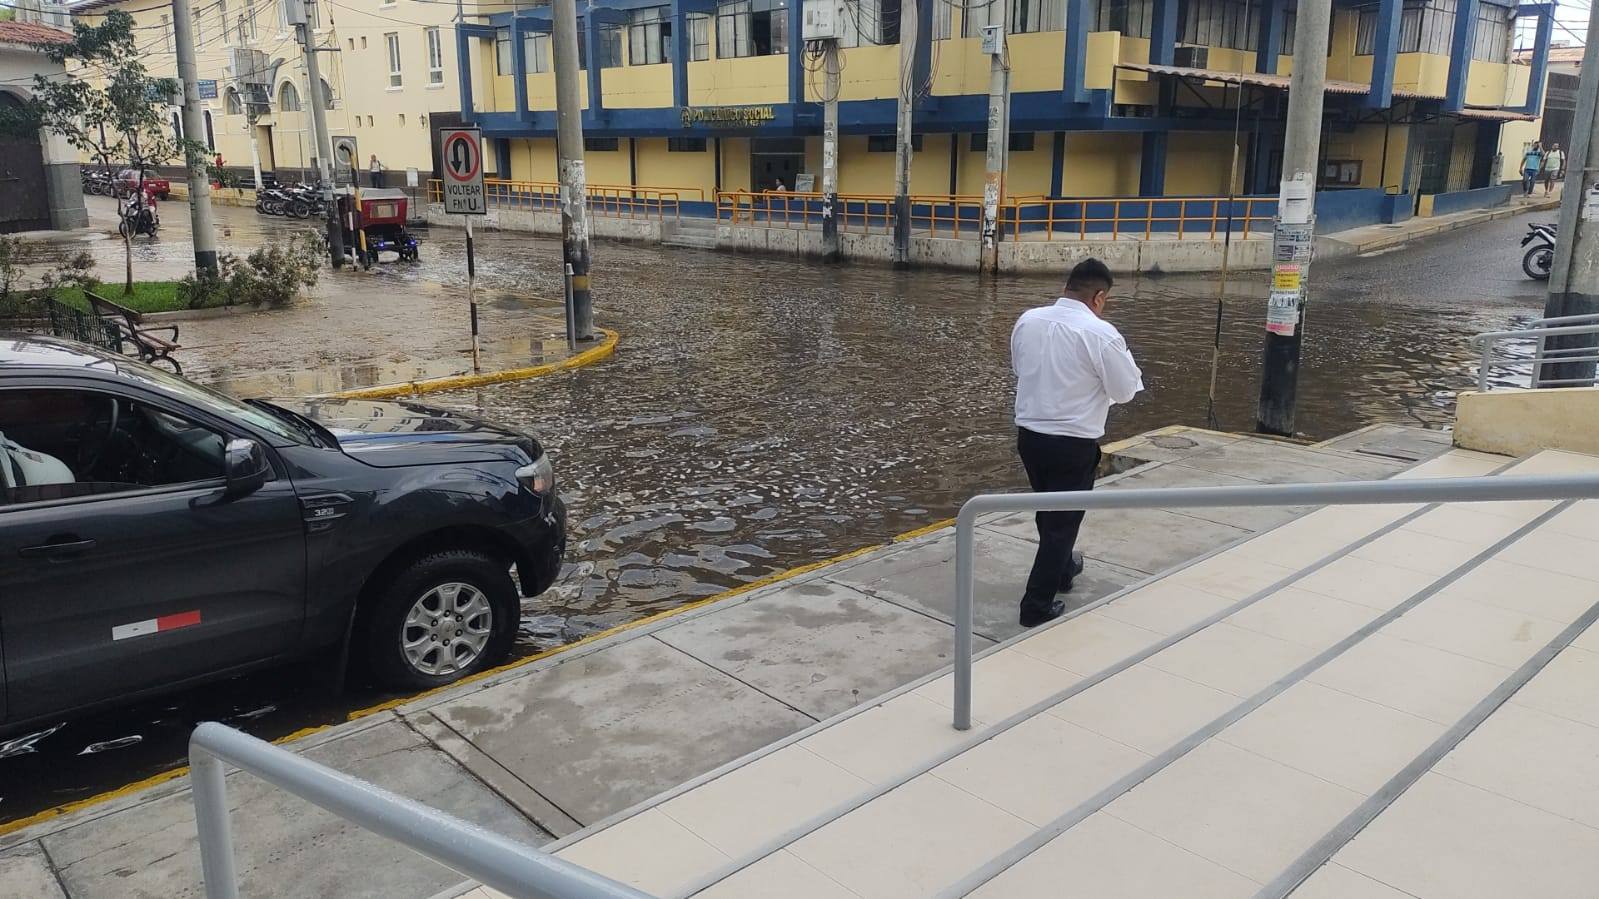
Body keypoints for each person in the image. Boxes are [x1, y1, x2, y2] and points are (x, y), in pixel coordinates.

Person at [1010, 258, 1143, 628]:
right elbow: (1125, 391)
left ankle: (1064, 567)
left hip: (1030, 438)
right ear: (1099, 297)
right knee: (1062, 523)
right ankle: (1036, 605)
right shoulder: (1101, 334)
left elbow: (1021, 369)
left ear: (1067, 288)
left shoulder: (1028, 321)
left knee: (1050, 510)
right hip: (1072, 444)